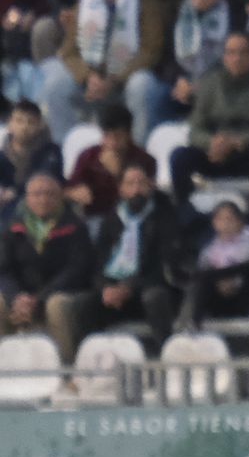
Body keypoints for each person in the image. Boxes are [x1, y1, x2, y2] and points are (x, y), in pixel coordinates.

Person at [38, 0, 163, 144]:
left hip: (126, 78)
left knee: (143, 85)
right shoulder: (86, 2)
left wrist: (114, 78)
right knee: (56, 85)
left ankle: (139, 149)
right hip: (91, 78)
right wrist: (89, 76)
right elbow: (69, 51)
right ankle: (64, 146)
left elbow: (151, 51)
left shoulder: (146, 2)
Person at [73, 159, 181, 344]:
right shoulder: (111, 220)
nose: (136, 189)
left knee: (154, 297)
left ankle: (163, 354)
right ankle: (90, 360)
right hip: (113, 288)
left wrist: (128, 287)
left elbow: (165, 263)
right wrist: (105, 287)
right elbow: (98, 262)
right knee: (83, 304)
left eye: (141, 183)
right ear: (121, 189)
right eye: (130, 184)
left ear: (151, 186)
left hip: (147, 286)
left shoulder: (165, 217)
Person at [169, 32, 249, 204]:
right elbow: (195, 129)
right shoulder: (209, 83)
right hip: (216, 153)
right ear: (224, 57)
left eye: (243, 52)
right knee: (179, 157)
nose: (237, 58)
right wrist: (213, 142)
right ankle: (186, 215)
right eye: (231, 53)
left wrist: (237, 140)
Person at [0, 171, 92, 361]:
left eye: (50, 194)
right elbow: (4, 270)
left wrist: (39, 298)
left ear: (60, 197)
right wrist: (16, 298)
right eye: (37, 194)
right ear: (27, 198)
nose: (43, 199)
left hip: (66, 293)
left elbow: (76, 270)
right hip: (24, 295)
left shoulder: (75, 227)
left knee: (56, 305)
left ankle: (66, 369)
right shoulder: (13, 228)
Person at [64, 104, 155, 223]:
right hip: (96, 216)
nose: (112, 143)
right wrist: (76, 193)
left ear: (128, 135)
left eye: (117, 136)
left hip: (133, 217)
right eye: (107, 136)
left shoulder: (144, 160)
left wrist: (117, 174)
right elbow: (68, 189)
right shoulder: (88, 156)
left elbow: (144, 195)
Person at [192, 199, 249, 322]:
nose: (225, 224)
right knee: (203, 275)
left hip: (242, 299)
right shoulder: (208, 249)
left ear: (239, 222)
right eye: (220, 219)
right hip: (217, 300)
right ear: (214, 223)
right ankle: (195, 325)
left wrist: (235, 283)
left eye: (229, 219)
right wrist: (219, 283)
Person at [0, 101, 63, 209]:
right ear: (9, 124)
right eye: (19, 121)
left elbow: (45, 181)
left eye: (31, 122)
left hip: (40, 208)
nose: (24, 127)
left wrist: (14, 192)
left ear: (39, 125)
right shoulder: (2, 154)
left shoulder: (51, 152)